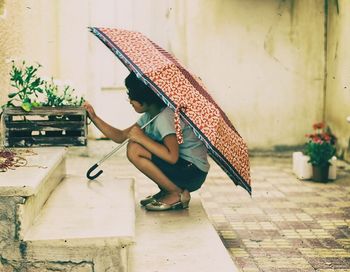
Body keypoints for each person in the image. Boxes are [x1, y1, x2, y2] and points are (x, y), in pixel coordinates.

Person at [84, 72, 210, 211]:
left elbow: (172, 157)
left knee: (135, 149)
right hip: (183, 168)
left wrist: (142, 138)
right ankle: (167, 190)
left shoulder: (164, 118)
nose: (130, 101)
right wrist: (94, 117)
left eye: (132, 97)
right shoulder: (150, 115)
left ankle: (175, 193)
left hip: (192, 172)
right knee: (134, 145)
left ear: (144, 99)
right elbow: (120, 136)